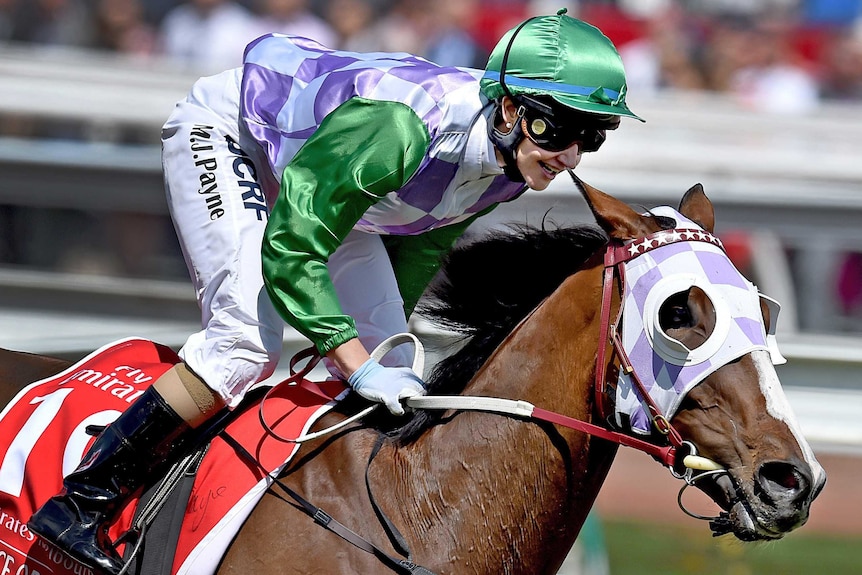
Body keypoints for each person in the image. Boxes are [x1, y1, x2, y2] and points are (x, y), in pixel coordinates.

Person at [27, 9, 641, 574]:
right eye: (559, 128)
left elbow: (420, 245)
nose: (571, 155)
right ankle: (81, 502)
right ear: (508, 108)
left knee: (396, 361)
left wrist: (371, 354)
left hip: (329, 179)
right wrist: (349, 358)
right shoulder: (398, 129)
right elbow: (293, 248)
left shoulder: (512, 168)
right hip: (234, 137)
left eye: (592, 137)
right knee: (244, 345)